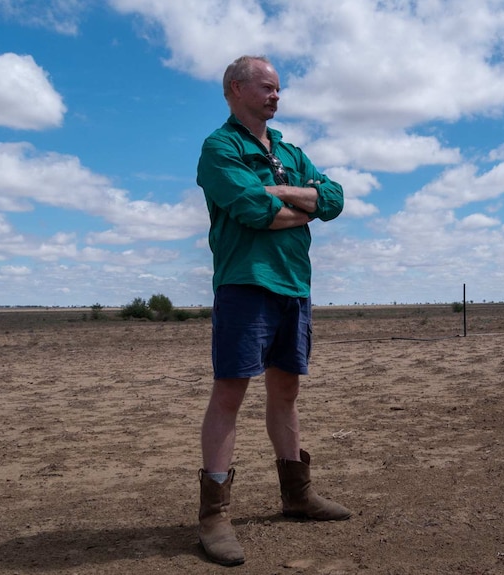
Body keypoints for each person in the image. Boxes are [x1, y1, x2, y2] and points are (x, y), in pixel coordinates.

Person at [195, 55, 349, 567]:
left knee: (286, 391)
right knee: (229, 393)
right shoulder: (220, 148)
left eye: (279, 89)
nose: (276, 96)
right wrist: (295, 207)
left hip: (293, 285)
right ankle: (214, 516)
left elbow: (333, 199)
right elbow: (251, 210)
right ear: (236, 89)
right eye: (267, 88)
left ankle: (296, 495)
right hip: (245, 284)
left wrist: (283, 190)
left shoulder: (288, 150)